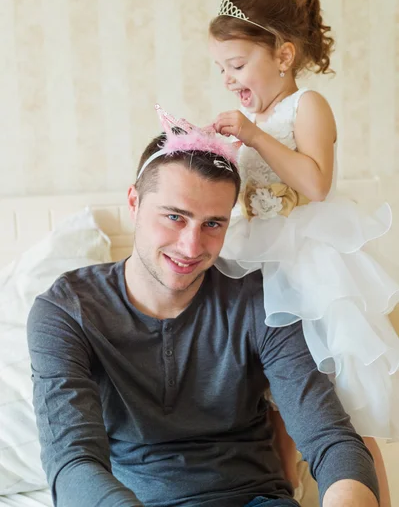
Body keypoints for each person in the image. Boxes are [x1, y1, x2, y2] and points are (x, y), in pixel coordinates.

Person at [27, 108, 380, 507]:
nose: (191, 247)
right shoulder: (66, 310)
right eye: (175, 217)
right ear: (134, 202)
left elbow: (331, 440)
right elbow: (72, 462)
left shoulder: (263, 300)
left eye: (213, 224)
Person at [209, 0, 399, 507]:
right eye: (221, 68)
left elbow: (315, 184)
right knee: (278, 414)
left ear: (285, 55)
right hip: (263, 269)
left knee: (338, 414)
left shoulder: (307, 105)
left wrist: (253, 136)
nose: (228, 78)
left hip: (311, 270)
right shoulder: (257, 118)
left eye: (238, 65)